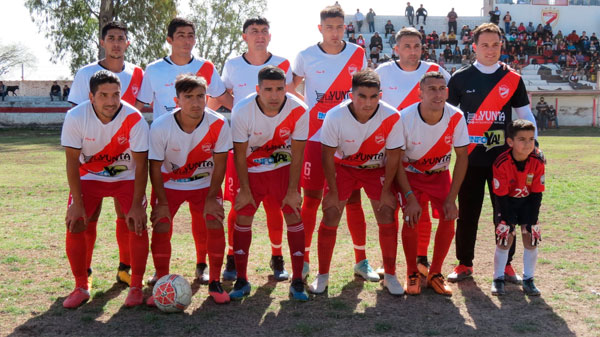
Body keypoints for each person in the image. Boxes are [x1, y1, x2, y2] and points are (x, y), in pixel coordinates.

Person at [446, 23, 538, 284]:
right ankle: (464, 263)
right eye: (484, 44)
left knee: (507, 215)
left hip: (505, 161)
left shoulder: (513, 79)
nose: (490, 49)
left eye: (495, 44)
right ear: (474, 47)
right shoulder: (460, 78)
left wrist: (535, 148)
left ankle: (507, 265)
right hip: (470, 160)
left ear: (502, 46)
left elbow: (525, 115)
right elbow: (449, 118)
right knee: (467, 214)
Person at [292, 6, 373, 282]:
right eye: (330, 27)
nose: (335, 32)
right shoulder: (305, 56)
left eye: (340, 27)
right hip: (316, 138)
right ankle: (302, 261)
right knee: (312, 199)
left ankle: (361, 260)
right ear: (320, 29)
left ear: (345, 27)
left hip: (349, 140)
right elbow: (292, 88)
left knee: (352, 199)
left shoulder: (357, 53)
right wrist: (307, 113)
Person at [309, 69, 405, 296]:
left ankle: (390, 275)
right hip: (344, 168)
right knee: (331, 213)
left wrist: (386, 191)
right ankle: (322, 275)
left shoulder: (392, 116)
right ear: (351, 95)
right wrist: (332, 190)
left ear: (380, 96)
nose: (368, 102)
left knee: (387, 212)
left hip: (375, 169)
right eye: (362, 96)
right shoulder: (335, 116)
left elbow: (393, 157)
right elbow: (327, 155)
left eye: (373, 97)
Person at [60, 70, 149, 308]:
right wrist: (77, 204)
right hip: (88, 177)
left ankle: (136, 285)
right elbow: (71, 162)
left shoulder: (134, 117)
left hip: (127, 177)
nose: (111, 101)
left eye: (116, 95)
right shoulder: (76, 116)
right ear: (91, 96)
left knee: (136, 223)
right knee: (77, 222)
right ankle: (81, 285)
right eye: (104, 95)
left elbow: (141, 165)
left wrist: (138, 204)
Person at [67, 22, 143, 286]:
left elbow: (138, 111)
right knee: (90, 215)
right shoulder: (86, 72)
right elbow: (80, 116)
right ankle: (84, 272)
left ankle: (125, 267)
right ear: (102, 42)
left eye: (121, 38)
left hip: (127, 157)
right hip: (93, 157)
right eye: (111, 38)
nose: (116, 43)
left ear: (128, 43)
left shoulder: (137, 73)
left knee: (127, 216)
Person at [221, 17, 295, 282]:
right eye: (254, 31)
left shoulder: (283, 63)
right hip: (242, 147)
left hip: (276, 147)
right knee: (239, 203)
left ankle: (277, 257)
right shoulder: (232, 64)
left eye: (264, 31)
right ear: (245, 37)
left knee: (275, 206)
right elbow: (220, 94)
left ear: (270, 36)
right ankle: (232, 257)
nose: (260, 35)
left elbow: (291, 99)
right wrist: (242, 114)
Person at [146, 74, 232, 305]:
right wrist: (162, 202)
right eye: (189, 97)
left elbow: (221, 162)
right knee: (162, 224)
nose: (196, 102)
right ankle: (162, 280)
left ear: (207, 97)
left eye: (201, 96)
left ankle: (214, 280)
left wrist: (214, 196)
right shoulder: (161, 126)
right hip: (169, 185)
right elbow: (154, 166)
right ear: (177, 100)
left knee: (213, 221)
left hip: (204, 185)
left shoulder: (219, 123)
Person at [375, 27, 451, 279]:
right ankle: (390, 265)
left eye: (417, 46)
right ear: (395, 49)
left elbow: (452, 98)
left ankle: (420, 259)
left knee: (422, 210)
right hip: (387, 151)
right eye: (406, 46)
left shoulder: (435, 72)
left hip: (423, 154)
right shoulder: (382, 73)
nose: (412, 51)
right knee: (388, 209)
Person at [230, 66, 309, 301]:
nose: (274, 95)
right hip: (251, 171)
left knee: (294, 213)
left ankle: (297, 280)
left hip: (282, 169)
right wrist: (244, 189)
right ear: (258, 89)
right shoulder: (242, 111)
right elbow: (239, 154)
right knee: (243, 215)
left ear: (286, 88)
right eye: (268, 90)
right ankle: (242, 279)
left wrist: (294, 190)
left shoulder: (299, 109)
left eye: (279, 89)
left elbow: (297, 154)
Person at [399, 71, 469, 296]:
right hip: (411, 175)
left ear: (447, 92)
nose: (437, 94)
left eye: (441, 89)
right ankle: (412, 272)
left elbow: (462, 158)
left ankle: (435, 273)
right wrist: (409, 197)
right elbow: (396, 161)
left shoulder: (456, 116)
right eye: (431, 89)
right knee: (411, 220)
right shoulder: (404, 118)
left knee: (449, 217)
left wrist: (452, 198)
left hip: (440, 175)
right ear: (420, 93)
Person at [136, 18, 232, 121]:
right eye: (181, 36)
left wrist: (250, 114)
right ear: (169, 40)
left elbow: (225, 99)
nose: (187, 41)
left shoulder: (207, 66)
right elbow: (139, 105)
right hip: (164, 134)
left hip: (199, 134)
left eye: (190, 36)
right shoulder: (153, 69)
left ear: (195, 40)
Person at [491, 119, 545, 296]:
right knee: (505, 235)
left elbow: (537, 193)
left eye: (531, 139)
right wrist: (508, 219)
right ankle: (498, 278)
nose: (527, 143)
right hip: (507, 201)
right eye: (522, 139)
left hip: (528, 202)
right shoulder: (501, 162)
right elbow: (500, 195)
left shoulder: (537, 160)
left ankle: (529, 279)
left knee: (531, 235)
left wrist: (531, 220)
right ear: (510, 142)